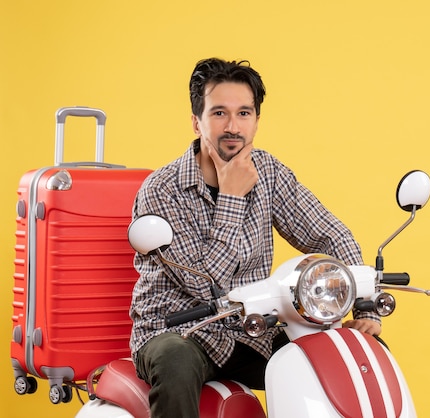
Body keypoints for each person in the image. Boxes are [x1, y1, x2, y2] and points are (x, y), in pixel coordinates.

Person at [129, 57, 381, 418]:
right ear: (196, 121)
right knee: (175, 363)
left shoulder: (269, 172)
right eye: (219, 113)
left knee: (353, 354)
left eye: (244, 113)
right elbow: (205, 287)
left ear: (256, 121)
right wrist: (231, 197)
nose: (233, 126)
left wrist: (364, 304)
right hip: (181, 330)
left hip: (251, 330)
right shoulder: (162, 190)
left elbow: (330, 235)